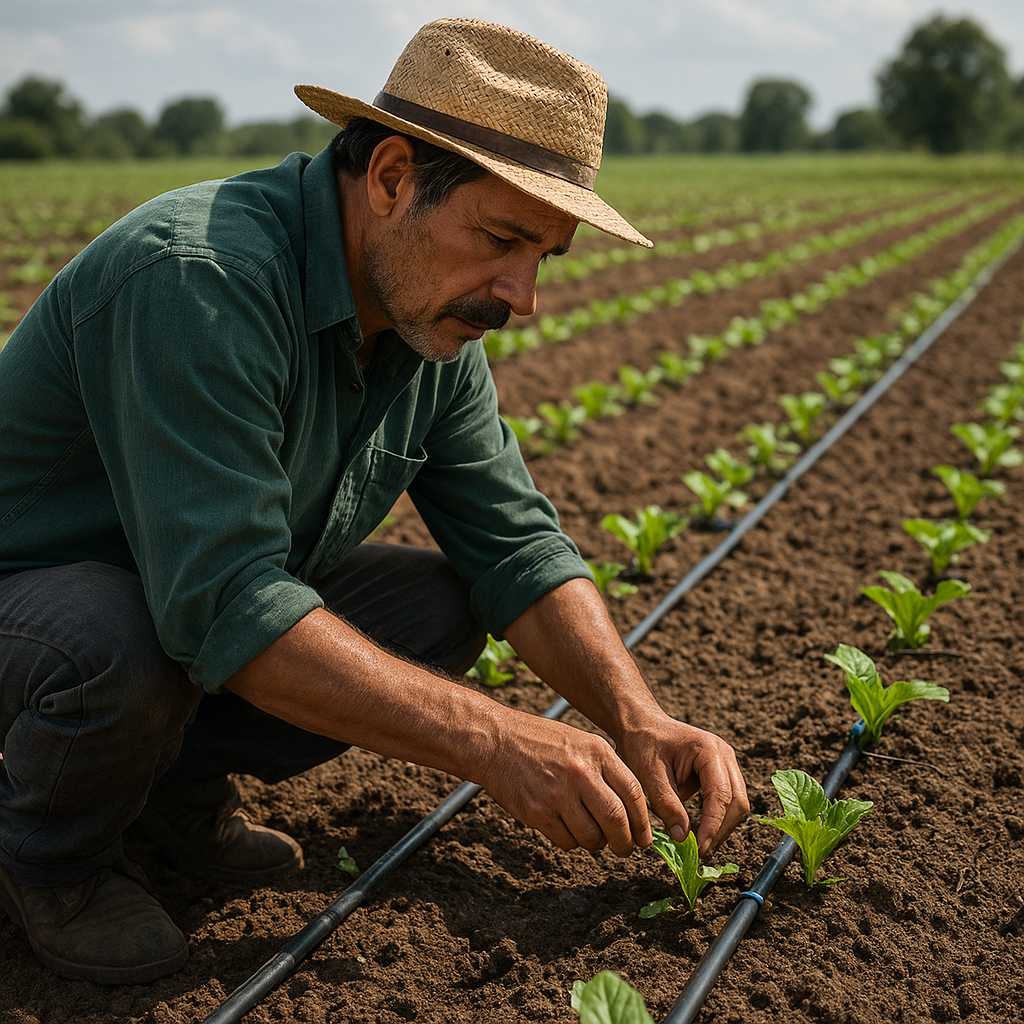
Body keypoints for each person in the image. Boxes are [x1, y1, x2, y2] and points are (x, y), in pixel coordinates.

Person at [0, 18, 748, 985]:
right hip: (31, 606)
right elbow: (227, 602)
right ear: (392, 177)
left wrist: (635, 718)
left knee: (435, 608)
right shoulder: (202, 278)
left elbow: (514, 547)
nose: (523, 297)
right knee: (114, 638)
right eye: (503, 238)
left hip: (163, 597)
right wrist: (497, 739)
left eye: (544, 256)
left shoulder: (425, 323)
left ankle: (164, 791)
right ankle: (50, 864)